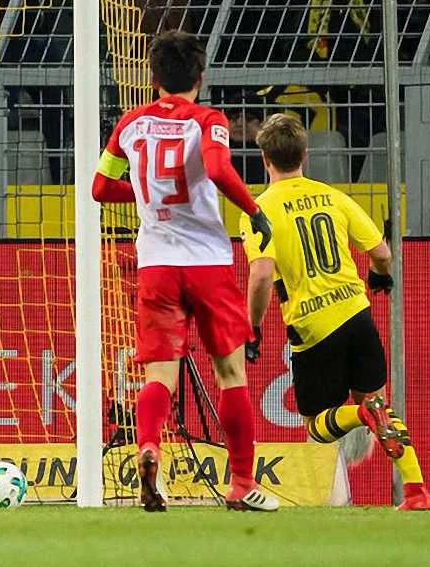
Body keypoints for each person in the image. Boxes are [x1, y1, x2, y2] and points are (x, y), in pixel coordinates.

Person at [90, 30, 277, 513]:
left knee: (159, 374)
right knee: (230, 373)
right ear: (201, 77)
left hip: (156, 264)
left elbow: (99, 188)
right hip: (207, 264)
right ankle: (241, 484)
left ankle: (149, 447)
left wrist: (145, 194)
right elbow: (215, 170)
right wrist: (253, 209)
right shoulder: (208, 120)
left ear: (153, 78)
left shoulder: (130, 123)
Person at [240, 113, 430, 511]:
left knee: (318, 426)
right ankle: (417, 490)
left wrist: (252, 327)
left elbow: (261, 276)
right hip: (357, 315)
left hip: (314, 329)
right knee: (380, 406)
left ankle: (359, 422)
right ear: (305, 155)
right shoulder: (334, 197)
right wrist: (379, 276)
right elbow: (382, 254)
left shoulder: (259, 210)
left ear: (264, 159)